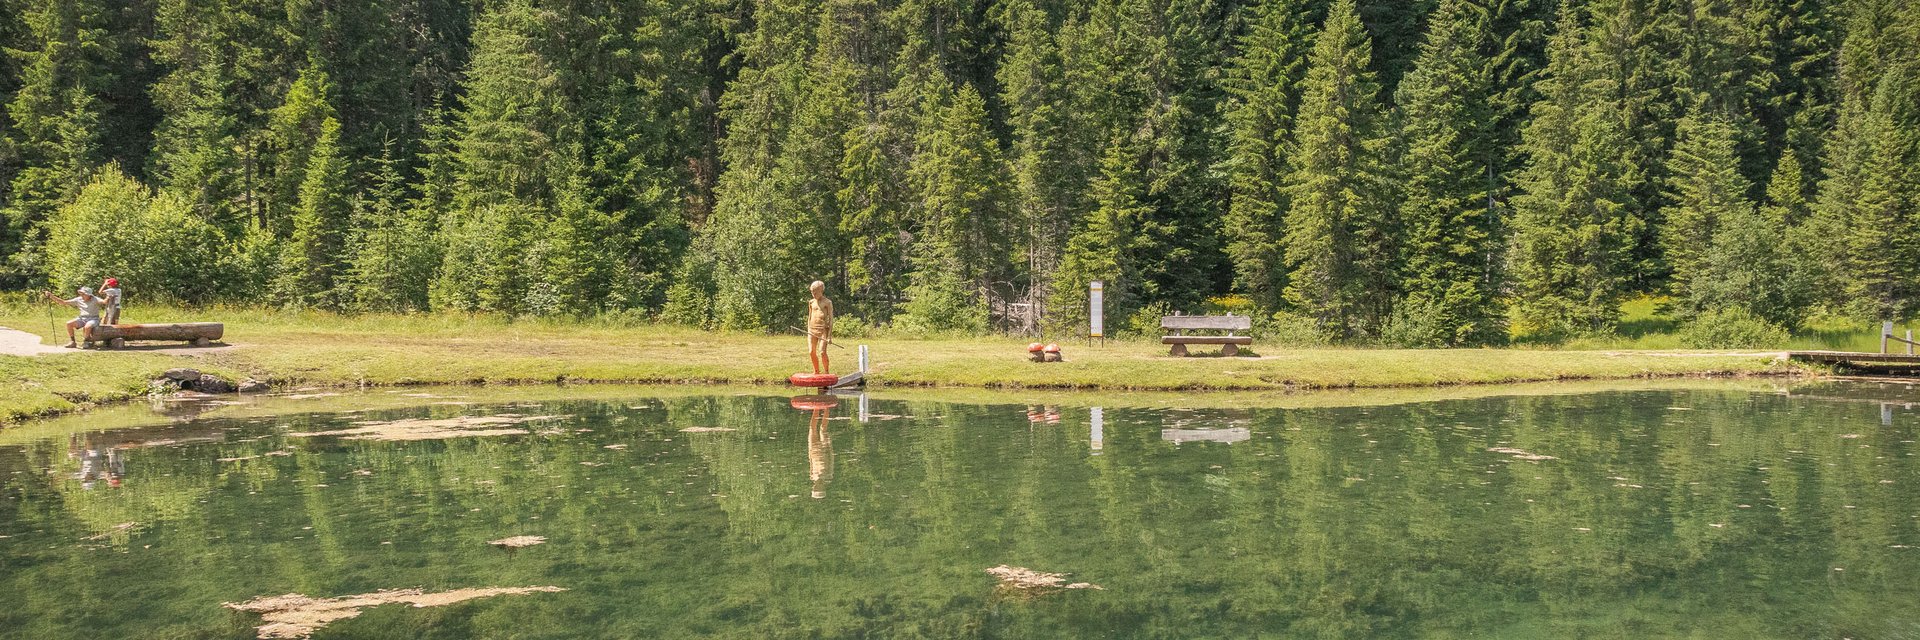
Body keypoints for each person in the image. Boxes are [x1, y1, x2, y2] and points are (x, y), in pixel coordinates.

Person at [806, 280, 834, 374]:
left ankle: (826, 372)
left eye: (815, 292)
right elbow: (809, 317)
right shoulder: (811, 302)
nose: (813, 294)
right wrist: (808, 329)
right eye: (812, 292)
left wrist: (829, 336)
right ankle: (816, 371)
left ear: (821, 291)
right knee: (811, 351)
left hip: (823, 331)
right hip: (811, 330)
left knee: (822, 352)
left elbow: (831, 320)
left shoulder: (827, 302)